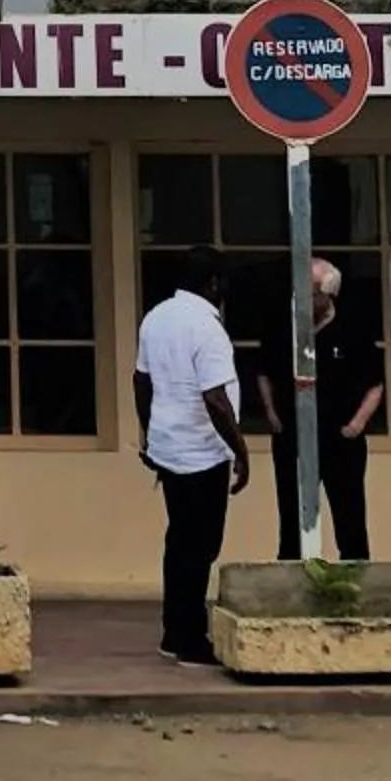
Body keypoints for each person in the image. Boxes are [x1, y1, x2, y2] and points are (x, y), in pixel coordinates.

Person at [135, 249, 249, 666]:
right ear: (214, 283)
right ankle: (189, 637)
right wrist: (241, 452)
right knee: (201, 545)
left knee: (179, 539)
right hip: (202, 452)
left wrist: (149, 433)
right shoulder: (207, 328)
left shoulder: (156, 317)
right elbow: (216, 399)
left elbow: (140, 381)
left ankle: (173, 630)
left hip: (168, 447)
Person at [258, 257, 383, 562]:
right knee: (291, 518)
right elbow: (264, 371)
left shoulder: (353, 328)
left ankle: (353, 586)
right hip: (293, 438)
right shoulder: (283, 325)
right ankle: (291, 583)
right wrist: (272, 414)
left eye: (310, 291)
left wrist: (356, 424)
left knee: (350, 516)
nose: (301, 297)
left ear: (328, 295)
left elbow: (375, 383)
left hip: (341, 439)